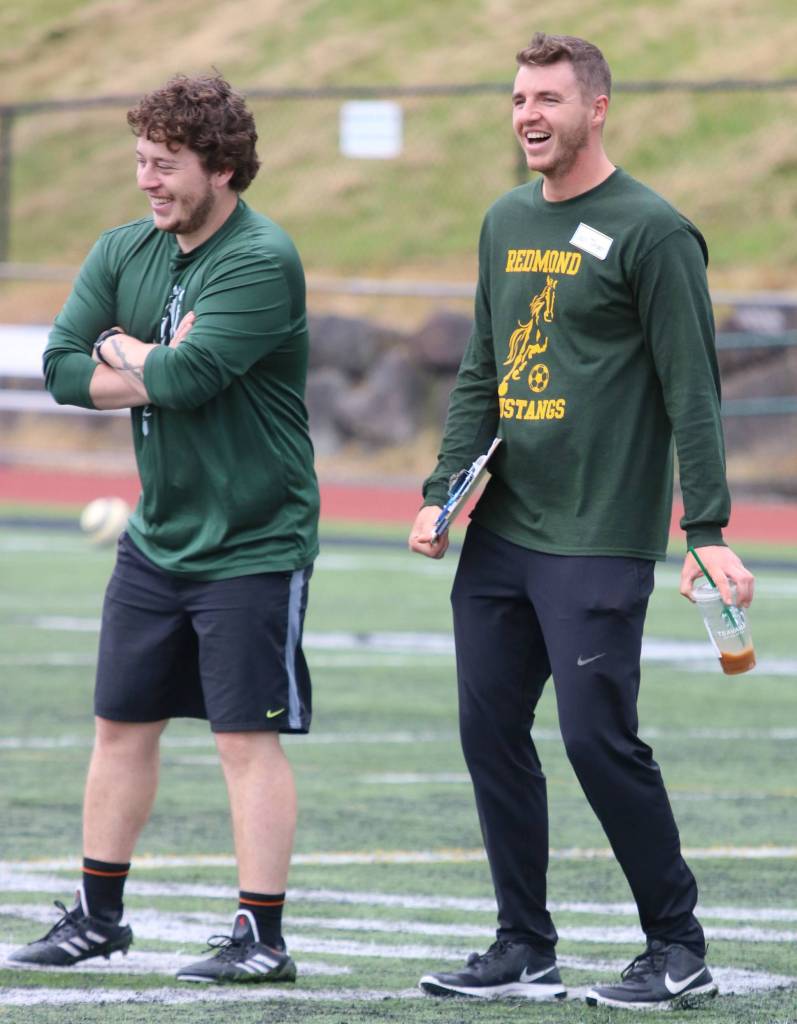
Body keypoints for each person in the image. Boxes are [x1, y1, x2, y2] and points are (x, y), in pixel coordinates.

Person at [409, 32, 754, 1011]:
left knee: (597, 738)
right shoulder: (502, 220)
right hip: (502, 534)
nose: (527, 114)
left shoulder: (654, 231)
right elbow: (481, 364)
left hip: (598, 534)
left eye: (548, 99)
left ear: (594, 108)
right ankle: (522, 943)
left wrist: (709, 527)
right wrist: (442, 488)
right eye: (518, 97)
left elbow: (693, 391)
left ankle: (675, 946)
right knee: (488, 732)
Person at [9, 73, 319, 986]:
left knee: (243, 742)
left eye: (167, 165)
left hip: (254, 538)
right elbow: (62, 369)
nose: (148, 181)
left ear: (222, 168)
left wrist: (133, 354)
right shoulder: (123, 248)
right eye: (141, 161)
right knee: (120, 725)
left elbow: (188, 382)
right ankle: (98, 919)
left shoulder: (261, 258)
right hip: (159, 534)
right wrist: (141, 358)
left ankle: (261, 938)